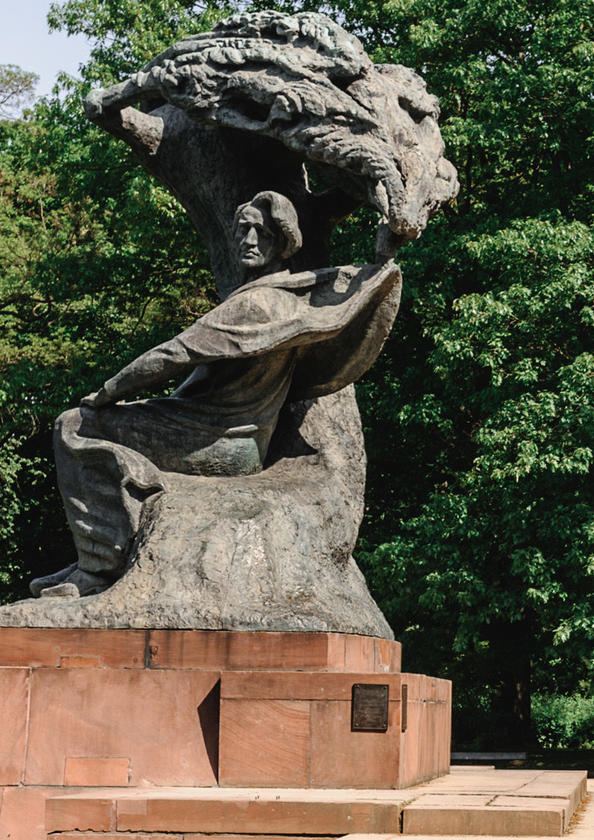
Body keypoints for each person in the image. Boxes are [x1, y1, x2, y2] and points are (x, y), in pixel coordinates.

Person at [29, 191, 400, 599]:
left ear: (284, 240)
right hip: (229, 436)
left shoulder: (256, 305)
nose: (249, 240)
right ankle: (105, 550)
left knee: (74, 424)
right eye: (243, 230)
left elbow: (173, 354)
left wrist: (105, 393)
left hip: (218, 440)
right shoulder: (292, 298)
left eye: (262, 232)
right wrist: (384, 252)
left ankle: (97, 565)